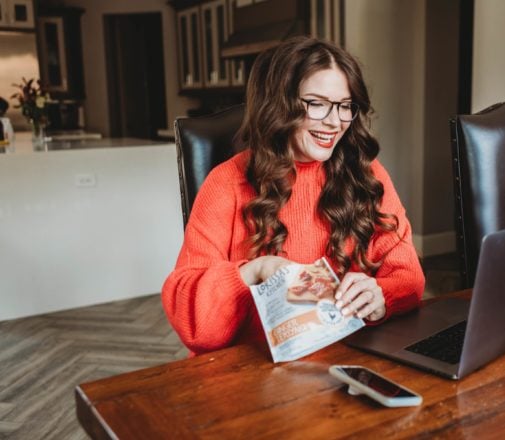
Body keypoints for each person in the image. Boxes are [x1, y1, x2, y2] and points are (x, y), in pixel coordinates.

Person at [162, 36, 425, 356]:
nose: (335, 121)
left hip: (345, 358)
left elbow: (409, 277)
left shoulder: (366, 174)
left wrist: (380, 295)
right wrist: (253, 272)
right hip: (251, 371)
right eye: (317, 103)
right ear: (278, 105)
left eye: (344, 106)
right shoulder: (226, 183)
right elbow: (195, 327)